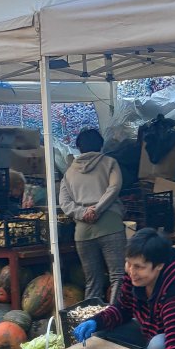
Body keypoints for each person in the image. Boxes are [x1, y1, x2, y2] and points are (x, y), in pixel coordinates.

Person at [60, 128, 126, 302]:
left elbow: (65, 203)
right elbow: (114, 188)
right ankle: (115, 316)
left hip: (82, 232)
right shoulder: (110, 163)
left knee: (92, 281)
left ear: (78, 147)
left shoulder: (69, 173)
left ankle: (91, 323)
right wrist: (98, 209)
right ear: (101, 144)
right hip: (111, 226)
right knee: (118, 276)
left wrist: (83, 213)